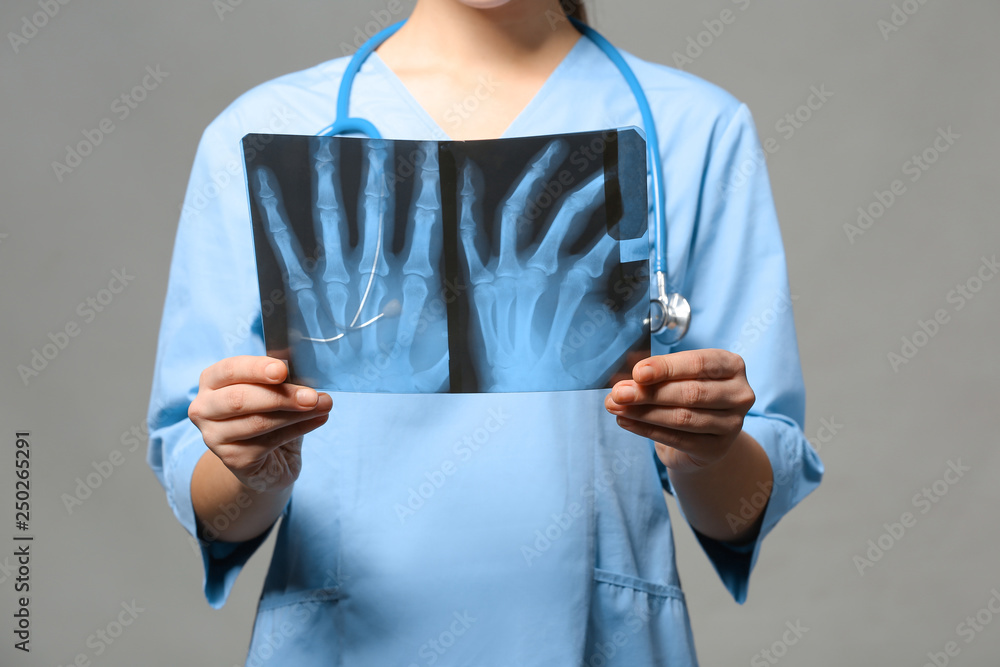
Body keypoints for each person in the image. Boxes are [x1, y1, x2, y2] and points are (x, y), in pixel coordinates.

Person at [146, 0, 823, 664]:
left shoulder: (697, 130)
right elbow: (214, 506)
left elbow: (739, 512)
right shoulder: (266, 128)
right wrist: (249, 466)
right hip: (351, 640)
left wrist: (706, 448)